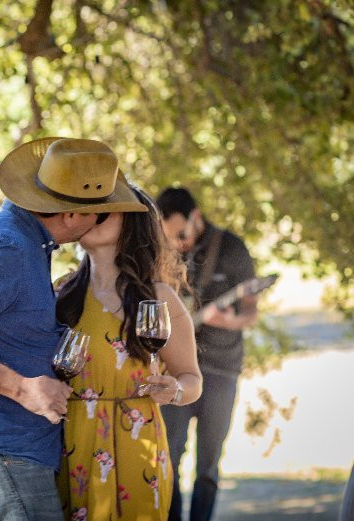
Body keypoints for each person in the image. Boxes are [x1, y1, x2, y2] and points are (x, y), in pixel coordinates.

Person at [0, 137, 131, 520]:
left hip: (13, 450)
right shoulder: (6, 244)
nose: (96, 225)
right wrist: (24, 388)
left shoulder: (29, 245)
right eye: (99, 214)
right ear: (69, 214)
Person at [55, 185, 202, 521]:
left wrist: (176, 390)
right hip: (72, 446)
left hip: (139, 449)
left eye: (106, 209)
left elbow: (192, 379)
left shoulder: (160, 297)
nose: (91, 215)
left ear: (133, 222)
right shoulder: (60, 294)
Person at [156, 187, 258, 521]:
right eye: (169, 237)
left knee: (208, 465)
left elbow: (251, 311)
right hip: (176, 370)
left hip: (221, 370)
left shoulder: (231, 248)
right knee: (169, 458)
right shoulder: (166, 253)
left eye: (180, 234)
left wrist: (230, 321)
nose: (177, 243)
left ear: (196, 216)